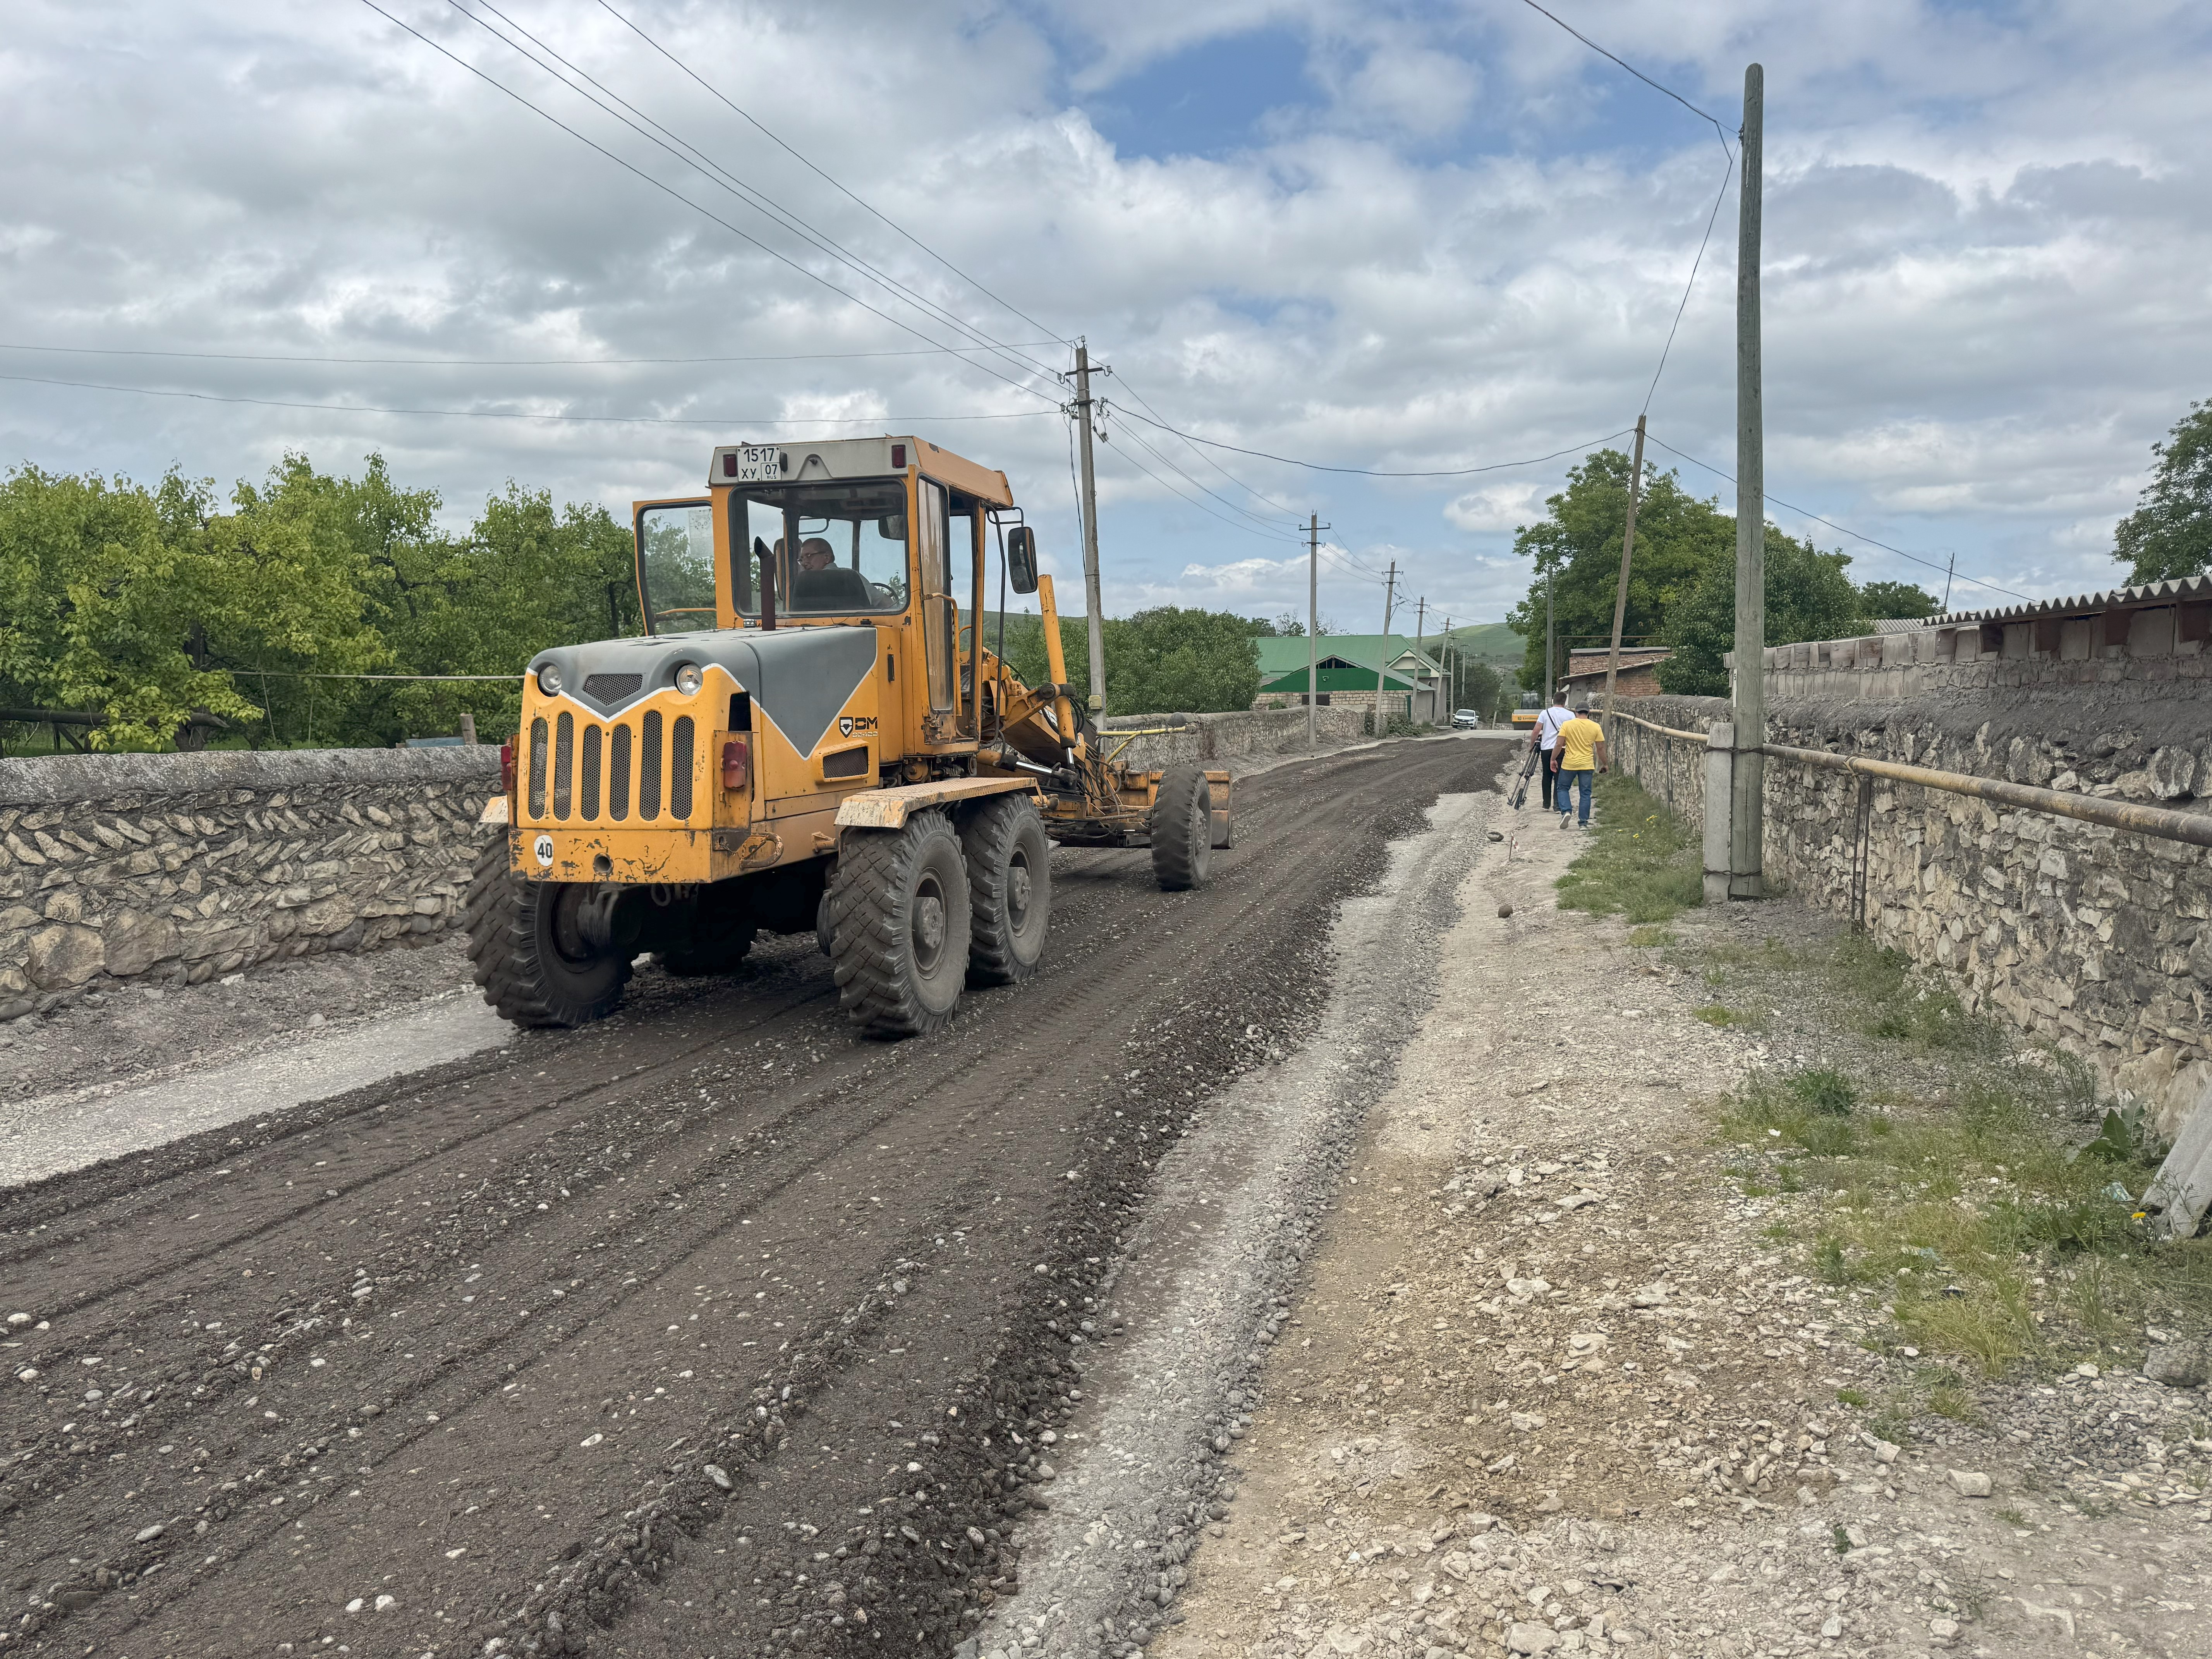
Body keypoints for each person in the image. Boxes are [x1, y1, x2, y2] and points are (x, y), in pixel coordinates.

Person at [1554, 702, 1607, 830]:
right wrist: (1605, 763)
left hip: (1569, 764)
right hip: (1587, 764)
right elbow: (1600, 748)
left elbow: (1559, 744)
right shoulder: (1596, 726)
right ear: (1588, 712)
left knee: (1562, 788)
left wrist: (1553, 759)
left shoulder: (1567, 725)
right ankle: (1583, 823)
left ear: (1576, 712)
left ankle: (1566, 811)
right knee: (1585, 793)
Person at [1531, 689, 1571, 811]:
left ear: (1554, 700)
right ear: (1564, 702)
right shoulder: (1570, 715)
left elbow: (1536, 731)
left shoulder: (1545, 713)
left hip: (1546, 749)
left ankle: (1546, 803)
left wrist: (1532, 745)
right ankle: (1558, 805)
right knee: (1559, 776)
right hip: (1562, 749)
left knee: (1546, 776)